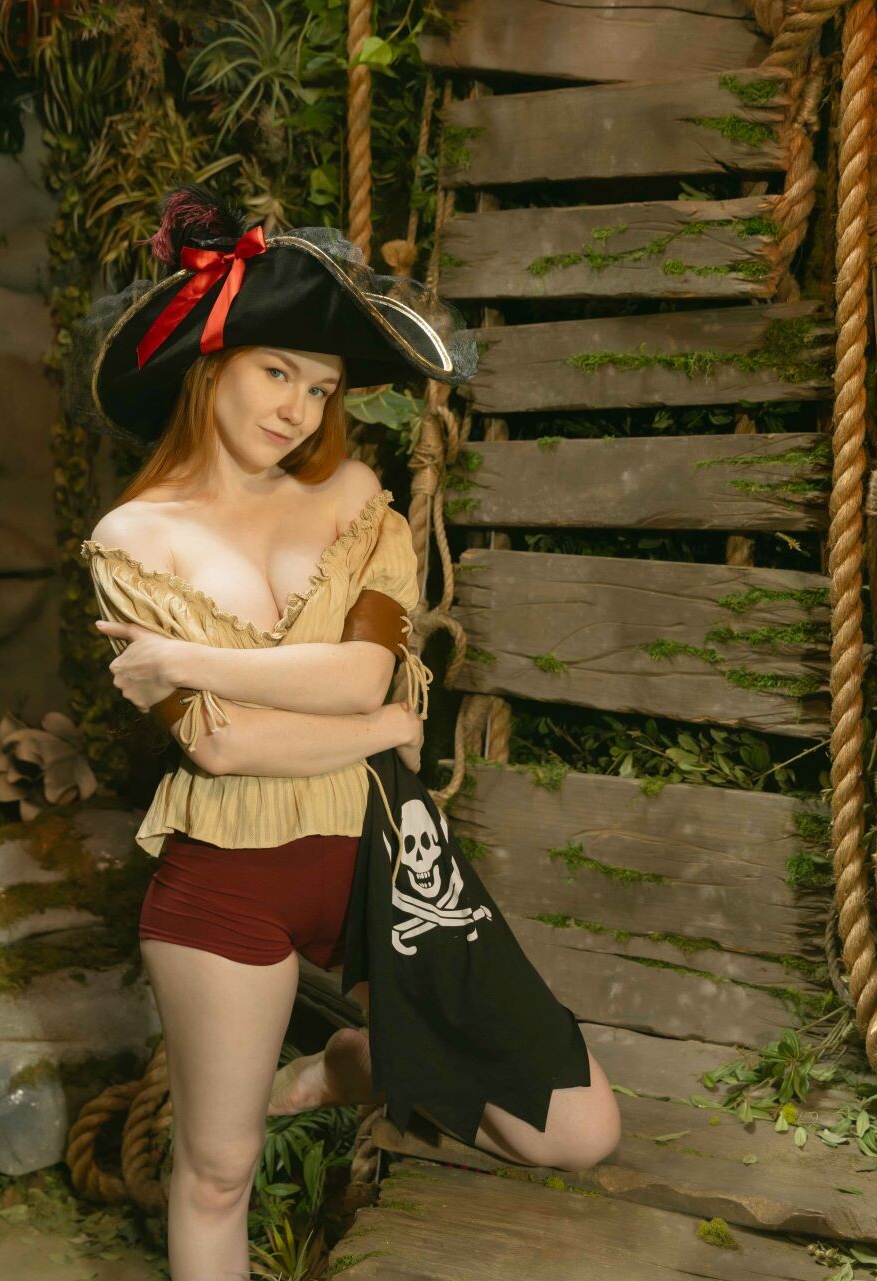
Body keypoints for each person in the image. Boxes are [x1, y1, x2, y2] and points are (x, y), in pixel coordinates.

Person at [68, 186, 621, 1281]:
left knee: (578, 1131)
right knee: (217, 1171)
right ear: (212, 364)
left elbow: (364, 669)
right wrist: (378, 723)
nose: (299, 409)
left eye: (321, 387)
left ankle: (349, 1067)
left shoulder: (360, 499)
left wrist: (192, 660)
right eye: (278, 372)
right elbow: (224, 748)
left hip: (384, 851)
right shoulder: (132, 538)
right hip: (225, 874)